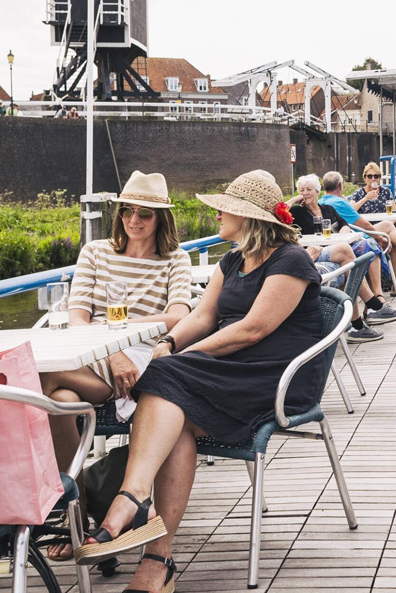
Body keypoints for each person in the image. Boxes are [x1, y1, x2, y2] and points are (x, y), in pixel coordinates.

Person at [73, 171, 331, 591]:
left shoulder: (291, 260)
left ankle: (132, 499)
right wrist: (171, 341)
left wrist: (184, 355)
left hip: (273, 376)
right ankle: (156, 557)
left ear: (247, 217)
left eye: (223, 209)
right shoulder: (232, 259)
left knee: (167, 377)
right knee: (175, 415)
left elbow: (254, 329)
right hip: (225, 373)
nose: (216, 215)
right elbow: (204, 316)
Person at [39, 171, 193, 560]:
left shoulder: (175, 258)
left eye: (145, 214)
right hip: (96, 355)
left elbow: (177, 316)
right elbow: (76, 316)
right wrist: (110, 346)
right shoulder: (95, 252)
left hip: (144, 357)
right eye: (127, 211)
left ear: (161, 219)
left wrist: (117, 331)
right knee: (60, 398)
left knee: (37, 378)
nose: (134, 221)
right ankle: (80, 511)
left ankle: (58, 508)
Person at [288, 174, 396, 337]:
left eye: (309, 189)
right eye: (302, 190)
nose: (305, 193)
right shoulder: (297, 211)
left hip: (331, 250)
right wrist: (295, 200)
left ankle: (357, 325)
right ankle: (373, 303)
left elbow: (343, 223)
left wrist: (343, 230)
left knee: (350, 265)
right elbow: (279, 213)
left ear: (318, 191)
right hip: (313, 252)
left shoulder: (327, 209)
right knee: (345, 252)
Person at [318, 171, 396, 294]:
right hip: (359, 236)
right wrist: (379, 237)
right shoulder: (343, 201)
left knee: (390, 233)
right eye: (369, 176)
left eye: (376, 176)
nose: (372, 178)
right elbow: (364, 224)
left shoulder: (321, 202)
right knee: (389, 229)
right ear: (340, 186)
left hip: (348, 237)